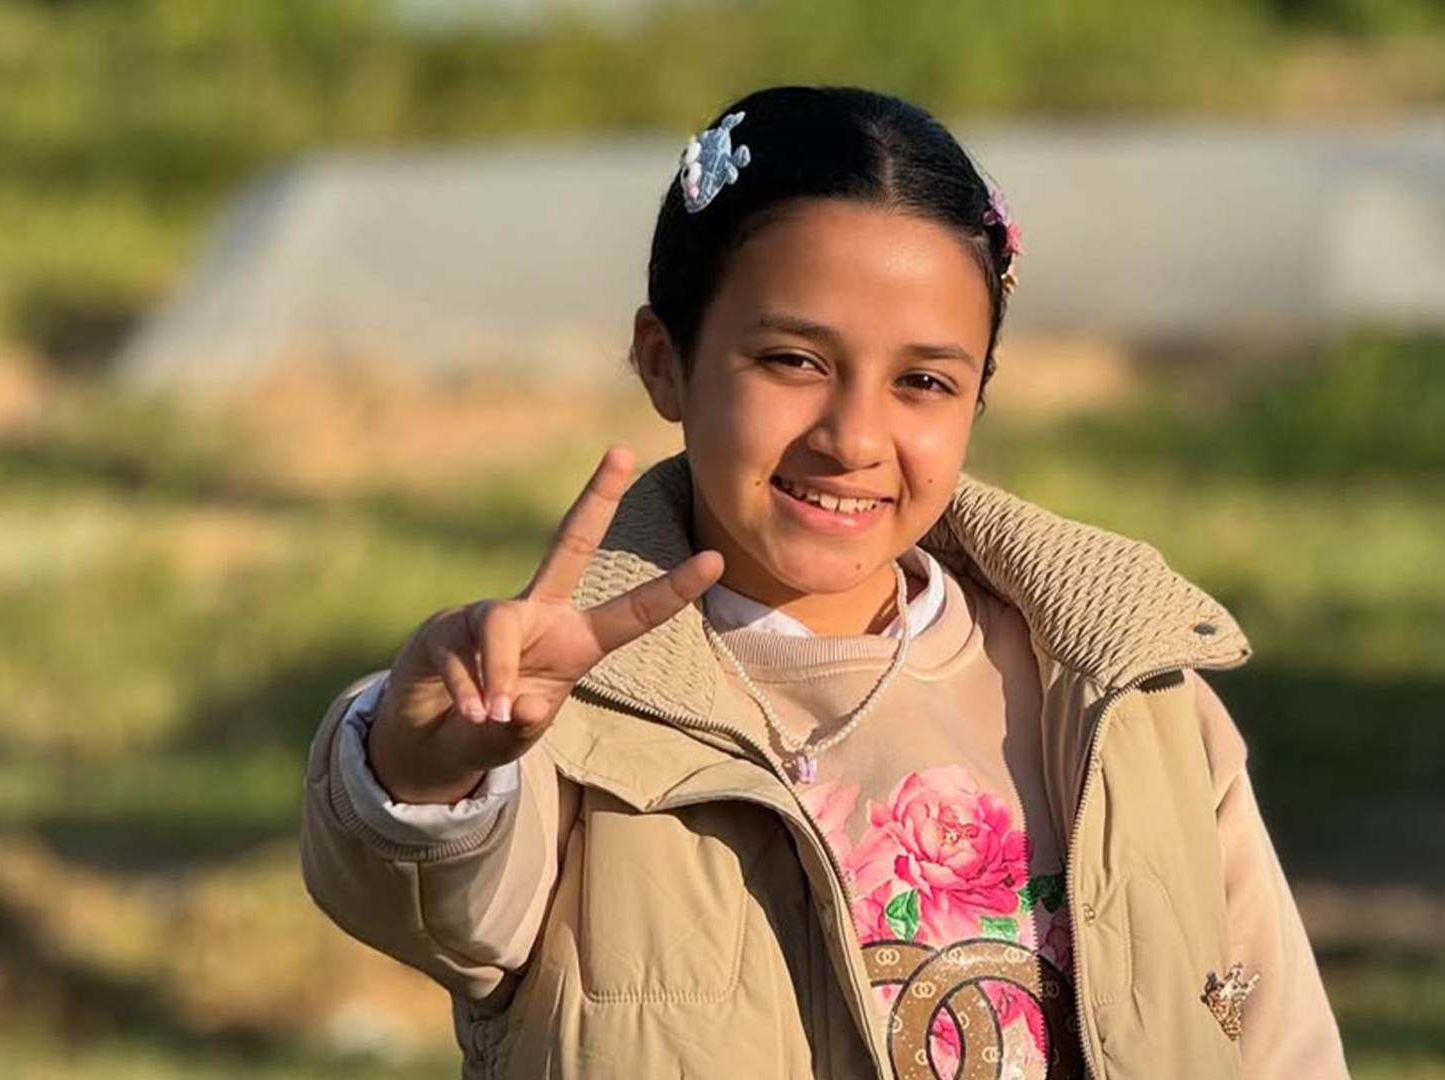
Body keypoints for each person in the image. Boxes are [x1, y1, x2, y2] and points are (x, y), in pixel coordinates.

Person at [300, 85, 1350, 1080]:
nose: (853, 437)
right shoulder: (556, 713)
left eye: (923, 381)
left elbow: (1276, 1044)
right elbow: (426, 898)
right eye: (793, 361)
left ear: (979, 397)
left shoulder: (1124, 696)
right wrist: (423, 768)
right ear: (665, 361)